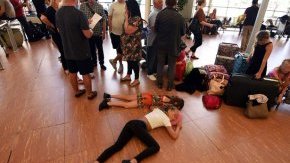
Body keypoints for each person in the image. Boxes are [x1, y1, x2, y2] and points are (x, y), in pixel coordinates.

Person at [95, 104, 182, 163]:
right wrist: (178, 126)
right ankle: (133, 161)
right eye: (175, 115)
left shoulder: (158, 110)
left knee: (117, 146)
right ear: (170, 110)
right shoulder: (166, 119)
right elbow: (174, 136)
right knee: (156, 147)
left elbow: (151, 107)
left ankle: (97, 161)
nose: (174, 118)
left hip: (132, 123)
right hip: (139, 126)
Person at [56, 0, 97, 99]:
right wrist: (91, 29)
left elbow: (58, 29)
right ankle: (89, 94)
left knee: (72, 72)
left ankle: (77, 91)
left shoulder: (58, 13)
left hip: (67, 49)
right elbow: (87, 34)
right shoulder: (79, 14)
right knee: (85, 73)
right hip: (81, 50)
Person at [155, 0, 185, 91]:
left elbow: (156, 29)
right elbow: (182, 33)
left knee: (160, 64)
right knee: (172, 66)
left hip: (161, 44)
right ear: (175, 3)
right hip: (173, 45)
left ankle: (159, 84)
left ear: (166, 3)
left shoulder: (160, 14)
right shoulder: (180, 16)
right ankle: (170, 85)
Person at [119, 0, 142, 87]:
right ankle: (128, 75)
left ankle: (136, 79)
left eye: (126, 7)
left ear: (131, 7)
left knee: (134, 62)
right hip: (128, 45)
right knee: (129, 60)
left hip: (134, 46)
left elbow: (128, 30)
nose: (125, 8)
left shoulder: (137, 19)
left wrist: (126, 18)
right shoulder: (130, 18)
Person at [40, 0, 67, 72]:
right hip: (56, 34)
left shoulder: (61, 8)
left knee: (66, 49)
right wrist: (50, 24)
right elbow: (42, 18)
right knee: (62, 50)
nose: (60, 1)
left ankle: (69, 66)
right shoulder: (50, 9)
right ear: (54, 1)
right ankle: (66, 68)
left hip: (64, 32)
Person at [80, 0, 107, 70]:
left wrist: (104, 33)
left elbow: (104, 20)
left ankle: (102, 63)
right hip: (88, 33)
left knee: (100, 49)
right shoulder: (82, 6)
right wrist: (86, 21)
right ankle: (94, 62)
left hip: (98, 33)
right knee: (91, 49)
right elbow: (80, 19)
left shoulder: (99, 6)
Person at [99, 92, 184, 111]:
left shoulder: (168, 97)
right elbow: (152, 107)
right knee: (127, 105)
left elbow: (156, 96)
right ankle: (107, 103)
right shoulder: (167, 104)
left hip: (146, 95)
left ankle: (109, 96)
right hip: (146, 100)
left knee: (128, 97)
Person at [146, 0, 163, 81]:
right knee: (151, 57)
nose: (162, 4)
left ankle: (153, 71)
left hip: (157, 39)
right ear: (155, 3)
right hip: (153, 39)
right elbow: (154, 28)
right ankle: (149, 73)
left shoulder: (159, 12)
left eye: (162, 2)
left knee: (155, 56)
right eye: (160, 2)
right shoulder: (154, 14)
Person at [108, 0, 125, 73]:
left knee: (123, 49)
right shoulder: (113, 5)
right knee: (118, 49)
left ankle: (114, 61)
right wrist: (110, 30)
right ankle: (120, 64)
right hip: (115, 32)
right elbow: (109, 18)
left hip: (125, 32)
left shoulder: (127, 4)